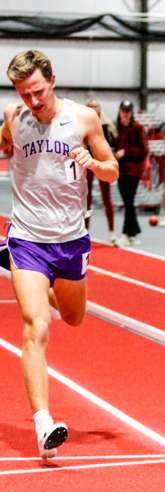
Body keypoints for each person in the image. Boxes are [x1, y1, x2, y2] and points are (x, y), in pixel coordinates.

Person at [0, 50, 119, 459]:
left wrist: (94, 163)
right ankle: (43, 424)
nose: (33, 101)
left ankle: (23, 271)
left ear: (52, 79)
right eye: (23, 93)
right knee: (36, 327)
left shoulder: (83, 118)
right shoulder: (15, 118)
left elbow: (112, 169)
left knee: (73, 317)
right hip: (28, 237)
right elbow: (3, 144)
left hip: (70, 241)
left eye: (37, 91)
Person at [114, 99, 149, 246]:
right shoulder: (116, 128)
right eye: (123, 111)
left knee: (129, 202)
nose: (125, 114)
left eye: (128, 111)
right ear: (120, 111)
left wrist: (125, 152)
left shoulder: (137, 128)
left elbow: (144, 149)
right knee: (128, 202)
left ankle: (126, 233)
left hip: (133, 171)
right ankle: (133, 233)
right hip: (120, 170)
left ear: (131, 112)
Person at [85, 98, 118, 244]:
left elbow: (115, 143)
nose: (93, 108)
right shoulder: (82, 124)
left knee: (107, 198)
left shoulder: (107, 125)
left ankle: (112, 232)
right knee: (86, 198)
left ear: (100, 108)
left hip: (102, 164)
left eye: (95, 106)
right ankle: (85, 232)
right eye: (90, 106)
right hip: (86, 163)